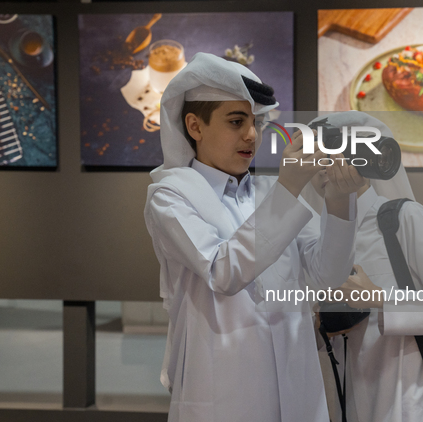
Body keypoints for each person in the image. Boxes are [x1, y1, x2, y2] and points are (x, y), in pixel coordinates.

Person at [143, 53, 364, 422]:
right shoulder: (171, 195)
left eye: (257, 123)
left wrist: (339, 200)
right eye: (236, 121)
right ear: (195, 126)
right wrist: (290, 187)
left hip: (297, 383)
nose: (251, 135)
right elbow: (222, 272)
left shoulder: (268, 191)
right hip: (224, 387)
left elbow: (327, 275)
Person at [308, 111, 423, 422]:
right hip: (346, 404)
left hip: (411, 405)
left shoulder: (401, 219)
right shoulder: (313, 237)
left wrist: (380, 299)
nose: (324, 163)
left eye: (332, 152)